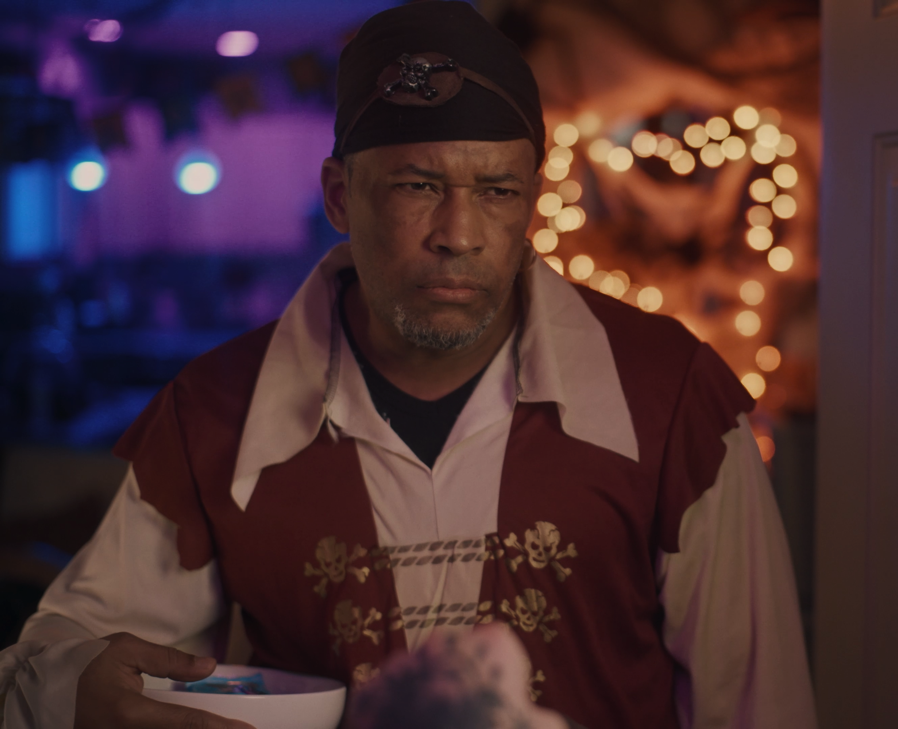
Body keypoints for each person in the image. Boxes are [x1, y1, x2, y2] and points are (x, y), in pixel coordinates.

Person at [0, 3, 816, 728]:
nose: (457, 233)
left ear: (533, 198)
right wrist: (71, 686)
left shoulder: (673, 397)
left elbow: (756, 702)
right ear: (339, 197)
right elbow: (61, 650)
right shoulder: (212, 412)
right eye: (418, 185)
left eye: (495, 190)